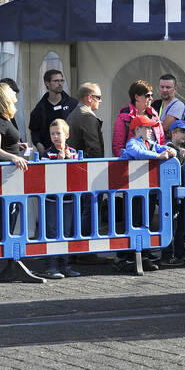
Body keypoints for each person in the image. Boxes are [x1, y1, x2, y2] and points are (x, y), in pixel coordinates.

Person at [117, 114, 176, 273]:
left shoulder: (149, 143)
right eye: (147, 127)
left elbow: (160, 147)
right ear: (137, 129)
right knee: (134, 221)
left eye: (151, 127)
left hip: (147, 191)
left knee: (146, 221)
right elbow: (137, 153)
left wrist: (170, 150)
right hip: (133, 193)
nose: (151, 130)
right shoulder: (132, 143)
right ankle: (130, 256)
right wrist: (158, 156)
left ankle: (143, 254)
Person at [0, 82, 28, 276]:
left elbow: (5, 144)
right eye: (12, 95)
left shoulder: (5, 119)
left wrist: (18, 146)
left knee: (7, 219)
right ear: (5, 98)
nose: (16, 97)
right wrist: (14, 156)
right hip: (2, 177)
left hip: (9, 176)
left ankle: (3, 260)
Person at [65, 83, 107, 263]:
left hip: (76, 171)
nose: (100, 101)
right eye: (98, 97)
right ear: (89, 98)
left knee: (79, 209)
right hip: (88, 172)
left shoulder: (73, 114)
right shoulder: (87, 117)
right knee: (88, 210)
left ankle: (76, 250)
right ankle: (84, 251)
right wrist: (98, 170)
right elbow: (94, 148)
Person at [41, 119, 81, 280]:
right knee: (51, 231)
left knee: (66, 231)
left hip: (68, 198)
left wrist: (71, 160)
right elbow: (45, 174)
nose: (55, 137)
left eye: (58, 133)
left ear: (66, 135)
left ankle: (65, 264)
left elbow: (78, 173)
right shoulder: (47, 154)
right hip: (51, 198)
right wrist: (57, 161)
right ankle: (50, 266)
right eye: (52, 134)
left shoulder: (74, 152)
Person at [161, 119, 185, 266]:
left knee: (181, 226)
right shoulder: (166, 148)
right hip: (169, 195)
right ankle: (167, 255)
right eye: (183, 132)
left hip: (183, 193)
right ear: (173, 133)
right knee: (170, 226)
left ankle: (180, 254)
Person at [29, 69, 78, 156]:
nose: (60, 84)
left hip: (70, 152)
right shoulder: (39, 108)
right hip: (48, 154)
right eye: (56, 81)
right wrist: (39, 144)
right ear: (47, 83)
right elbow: (34, 131)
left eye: (61, 80)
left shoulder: (73, 104)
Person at [112, 80, 164, 157]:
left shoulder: (154, 114)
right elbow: (117, 148)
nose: (151, 98)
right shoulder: (124, 117)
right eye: (147, 96)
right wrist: (130, 160)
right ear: (136, 97)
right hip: (133, 164)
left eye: (151, 95)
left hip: (155, 162)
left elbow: (161, 141)